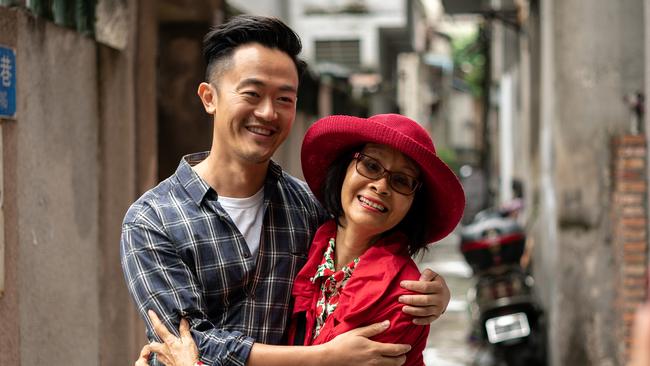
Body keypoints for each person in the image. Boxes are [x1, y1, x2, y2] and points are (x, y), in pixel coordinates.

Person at [122, 15, 452, 366]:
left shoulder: (309, 210)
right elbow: (186, 342)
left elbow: (369, 252)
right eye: (252, 94)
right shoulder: (152, 219)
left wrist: (435, 294)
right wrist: (323, 357)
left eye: (284, 99)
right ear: (209, 97)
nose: (267, 112)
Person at [135, 114, 466, 366]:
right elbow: (188, 334)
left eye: (401, 181)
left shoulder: (406, 296)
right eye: (370, 165)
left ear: (413, 204)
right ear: (344, 169)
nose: (380, 185)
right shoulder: (313, 237)